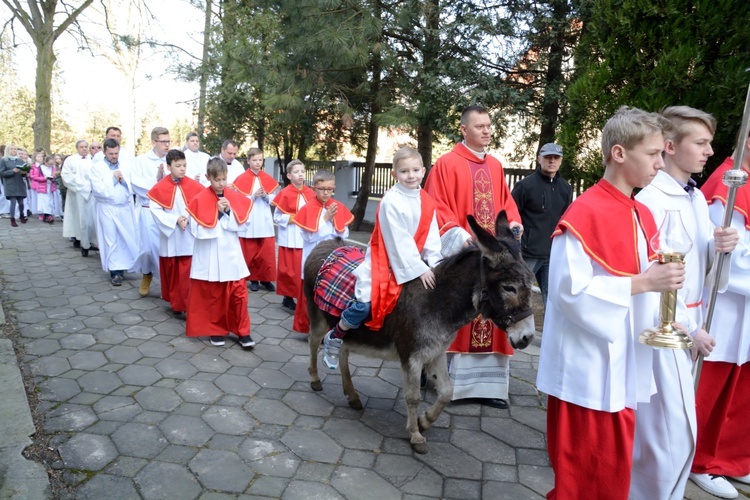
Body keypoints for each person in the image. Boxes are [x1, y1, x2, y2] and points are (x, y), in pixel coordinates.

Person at [536, 106, 686, 498]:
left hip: (623, 364)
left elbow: (650, 280)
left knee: (612, 473)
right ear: (619, 154)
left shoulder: (641, 213)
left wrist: (673, 315)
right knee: (584, 477)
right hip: (588, 370)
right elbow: (569, 293)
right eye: (653, 153)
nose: (660, 161)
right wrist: (639, 284)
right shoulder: (585, 212)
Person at [633, 106, 739, 499]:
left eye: (710, 142)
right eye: (701, 142)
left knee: (676, 431)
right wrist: (688, 329)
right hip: (667, 331)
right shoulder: (652, 200)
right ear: (671, 147)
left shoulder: (692, 197)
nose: (710, 151)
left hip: (690, 324)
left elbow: (700, 271)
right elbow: (655, 275)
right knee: (667, 432)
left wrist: (719, 248)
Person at [424, 104, 523, 410]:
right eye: (479, 126)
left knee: (495, 311)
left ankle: (489, 387)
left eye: (489, 126)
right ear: (464, 130)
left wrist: (513, 224)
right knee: (462, 312)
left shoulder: (494, 165)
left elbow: (506, 202)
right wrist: (458, 235)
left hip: (492, 259)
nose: (486, 131)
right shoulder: (447, 164)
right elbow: (435, 204)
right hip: (467, 255)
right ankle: (445, 382)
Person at [321, 147, 443, 370]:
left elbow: (432, 236)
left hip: (413, 262)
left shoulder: (426, 200)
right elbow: (398, 241)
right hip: (384, 261)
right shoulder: (391, 201)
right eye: (404, 171)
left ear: (424, 171)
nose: (411, 175)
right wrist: (419, 268)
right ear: (395, 174)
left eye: (415, 170)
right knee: (365, 305)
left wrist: (436, 264)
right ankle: (336, 335)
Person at [691, 128, 750, 498]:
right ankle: (700, 461)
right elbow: (726, 257)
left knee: (741, 386)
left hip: (746, 310)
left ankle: (731, 458)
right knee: (712, 387)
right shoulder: (730, 183)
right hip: (726, 306)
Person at [185, 157, 254, 348]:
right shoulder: (199, 199)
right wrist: (216, 213)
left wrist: (228, 213)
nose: (221, 183)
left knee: (239, 295)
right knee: (214, 296)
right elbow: (196, 231)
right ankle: (216, 329)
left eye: (224, 179)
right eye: (217, 180)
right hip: (211, 256)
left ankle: (243, 332)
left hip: (232, 255)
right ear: (208, 177)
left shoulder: (234, 196)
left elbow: (244, 226)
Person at [291, 169, 353, 334]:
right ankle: (310, 328)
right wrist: (325, 220)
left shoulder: (338, 206)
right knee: (311, 297)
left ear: (334, 188)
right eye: (321, 189)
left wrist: (335, 222)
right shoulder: (307, 208)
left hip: (333, 259)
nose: (325, 193)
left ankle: (329, 329)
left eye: (329, 189)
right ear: (314, 188)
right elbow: (308, 237)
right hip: (314, 258)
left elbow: (344, 234)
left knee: (330, 296)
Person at [511, 142, 573, 306]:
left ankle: (548, 332)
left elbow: (565, 219)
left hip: (553, 254)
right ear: (539, 159)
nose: (551, 161)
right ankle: (515, 331)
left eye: (556, 158)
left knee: (552, 300)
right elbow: (510, 214)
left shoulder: (565, 188)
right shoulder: (524, 186)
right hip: (527, 253)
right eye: (548, 157)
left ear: (560, 161)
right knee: (519, 295)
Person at [147, 149, 204, 316]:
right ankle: (176, 303)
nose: (182, 169)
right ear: (168, 166)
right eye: (178, 166)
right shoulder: (160, 187)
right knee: (173, 271)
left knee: (187, 271)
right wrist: (175, 220)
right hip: (171, 236)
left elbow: (200, 204)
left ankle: (187, 304)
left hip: (188, 234)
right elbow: (156, 210)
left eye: (184, 165)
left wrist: (188, 218)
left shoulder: (194, 185)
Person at [89, 139, 138, 286]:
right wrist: (114, 180)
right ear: (104, 152)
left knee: (125, 237)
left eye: (116, 153)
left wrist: (124, 181)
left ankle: (125, 266)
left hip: (124, 207)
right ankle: (115, 272)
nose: (114, 156)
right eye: (110, 153)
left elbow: (133, 184)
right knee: (111, 239)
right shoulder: (97, 167)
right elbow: (98, 189)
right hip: (107, 208)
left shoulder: (126, 166)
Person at [131, 127, 171, 297]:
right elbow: (137, 184)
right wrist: (157, 181)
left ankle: (167, 285)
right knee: (148, 248)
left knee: (166, 249)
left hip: (168, 211)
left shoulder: (173, 160)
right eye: (163, 142)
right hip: (148, 210)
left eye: (169, 141)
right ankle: (147, 274)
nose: (167, 145)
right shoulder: (141, 161)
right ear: (154, 142)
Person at [272, 160, 316, 311]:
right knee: (289, 270)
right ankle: (288, 296)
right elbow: (277, 217)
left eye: (302, 172)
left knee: (302, 268)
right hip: (290, 236)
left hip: (305, 236)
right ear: (289, 175)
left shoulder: (311, 193)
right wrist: (291, 218)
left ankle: (302, 296)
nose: (300, 175)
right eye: (296, 172)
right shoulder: (284, 193)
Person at [233, 147, 279, 292]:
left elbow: (275, 198)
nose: (258, 163)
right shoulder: (241, 179)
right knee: (251, 249)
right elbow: (238, 199)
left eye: (260, 160)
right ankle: (253, 279)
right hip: (251, 216)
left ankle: (265, 279)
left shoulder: (267, 178)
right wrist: (253, 195)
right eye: (254, 160)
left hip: (264, 217)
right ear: (248, 161)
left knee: (265, 250)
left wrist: (266, 196)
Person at [62, 140, 98, 256]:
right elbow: (66, 175)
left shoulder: (93, 159)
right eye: (81, 147)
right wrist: (78, 186)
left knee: (91, 218)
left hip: (92, 193)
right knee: (78, 217)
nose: (84, 149)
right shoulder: (71, 160)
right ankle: (79, 239)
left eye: (86, 147)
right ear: (77, 148)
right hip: (76, 193)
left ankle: (92, 241)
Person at [0, 143, 29, 227]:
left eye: (14, 149)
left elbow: (24, 169)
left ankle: (22, 215)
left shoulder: (20, 160)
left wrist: (25, 173)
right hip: (10, 184)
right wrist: (12, 171)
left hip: (19, 183)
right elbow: (1, 173)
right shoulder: (4, 160)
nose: (13, 150)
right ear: (7, 150)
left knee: (21, 203)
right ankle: (12, 219)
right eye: (11, 149)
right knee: (13, 202)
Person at [29, 154, 60, 223]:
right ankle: (47, 215)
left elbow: (54, 175)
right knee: (44, 201)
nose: (50, 166)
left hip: (50, 186)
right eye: (49, 164)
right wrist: (43, 178)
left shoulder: (53, 168)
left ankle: (49, 214)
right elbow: (34, 177)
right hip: (42, 186)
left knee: (50, 201)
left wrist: (53, 178)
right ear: (45, 162)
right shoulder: (39, 168)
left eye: (51, 164)